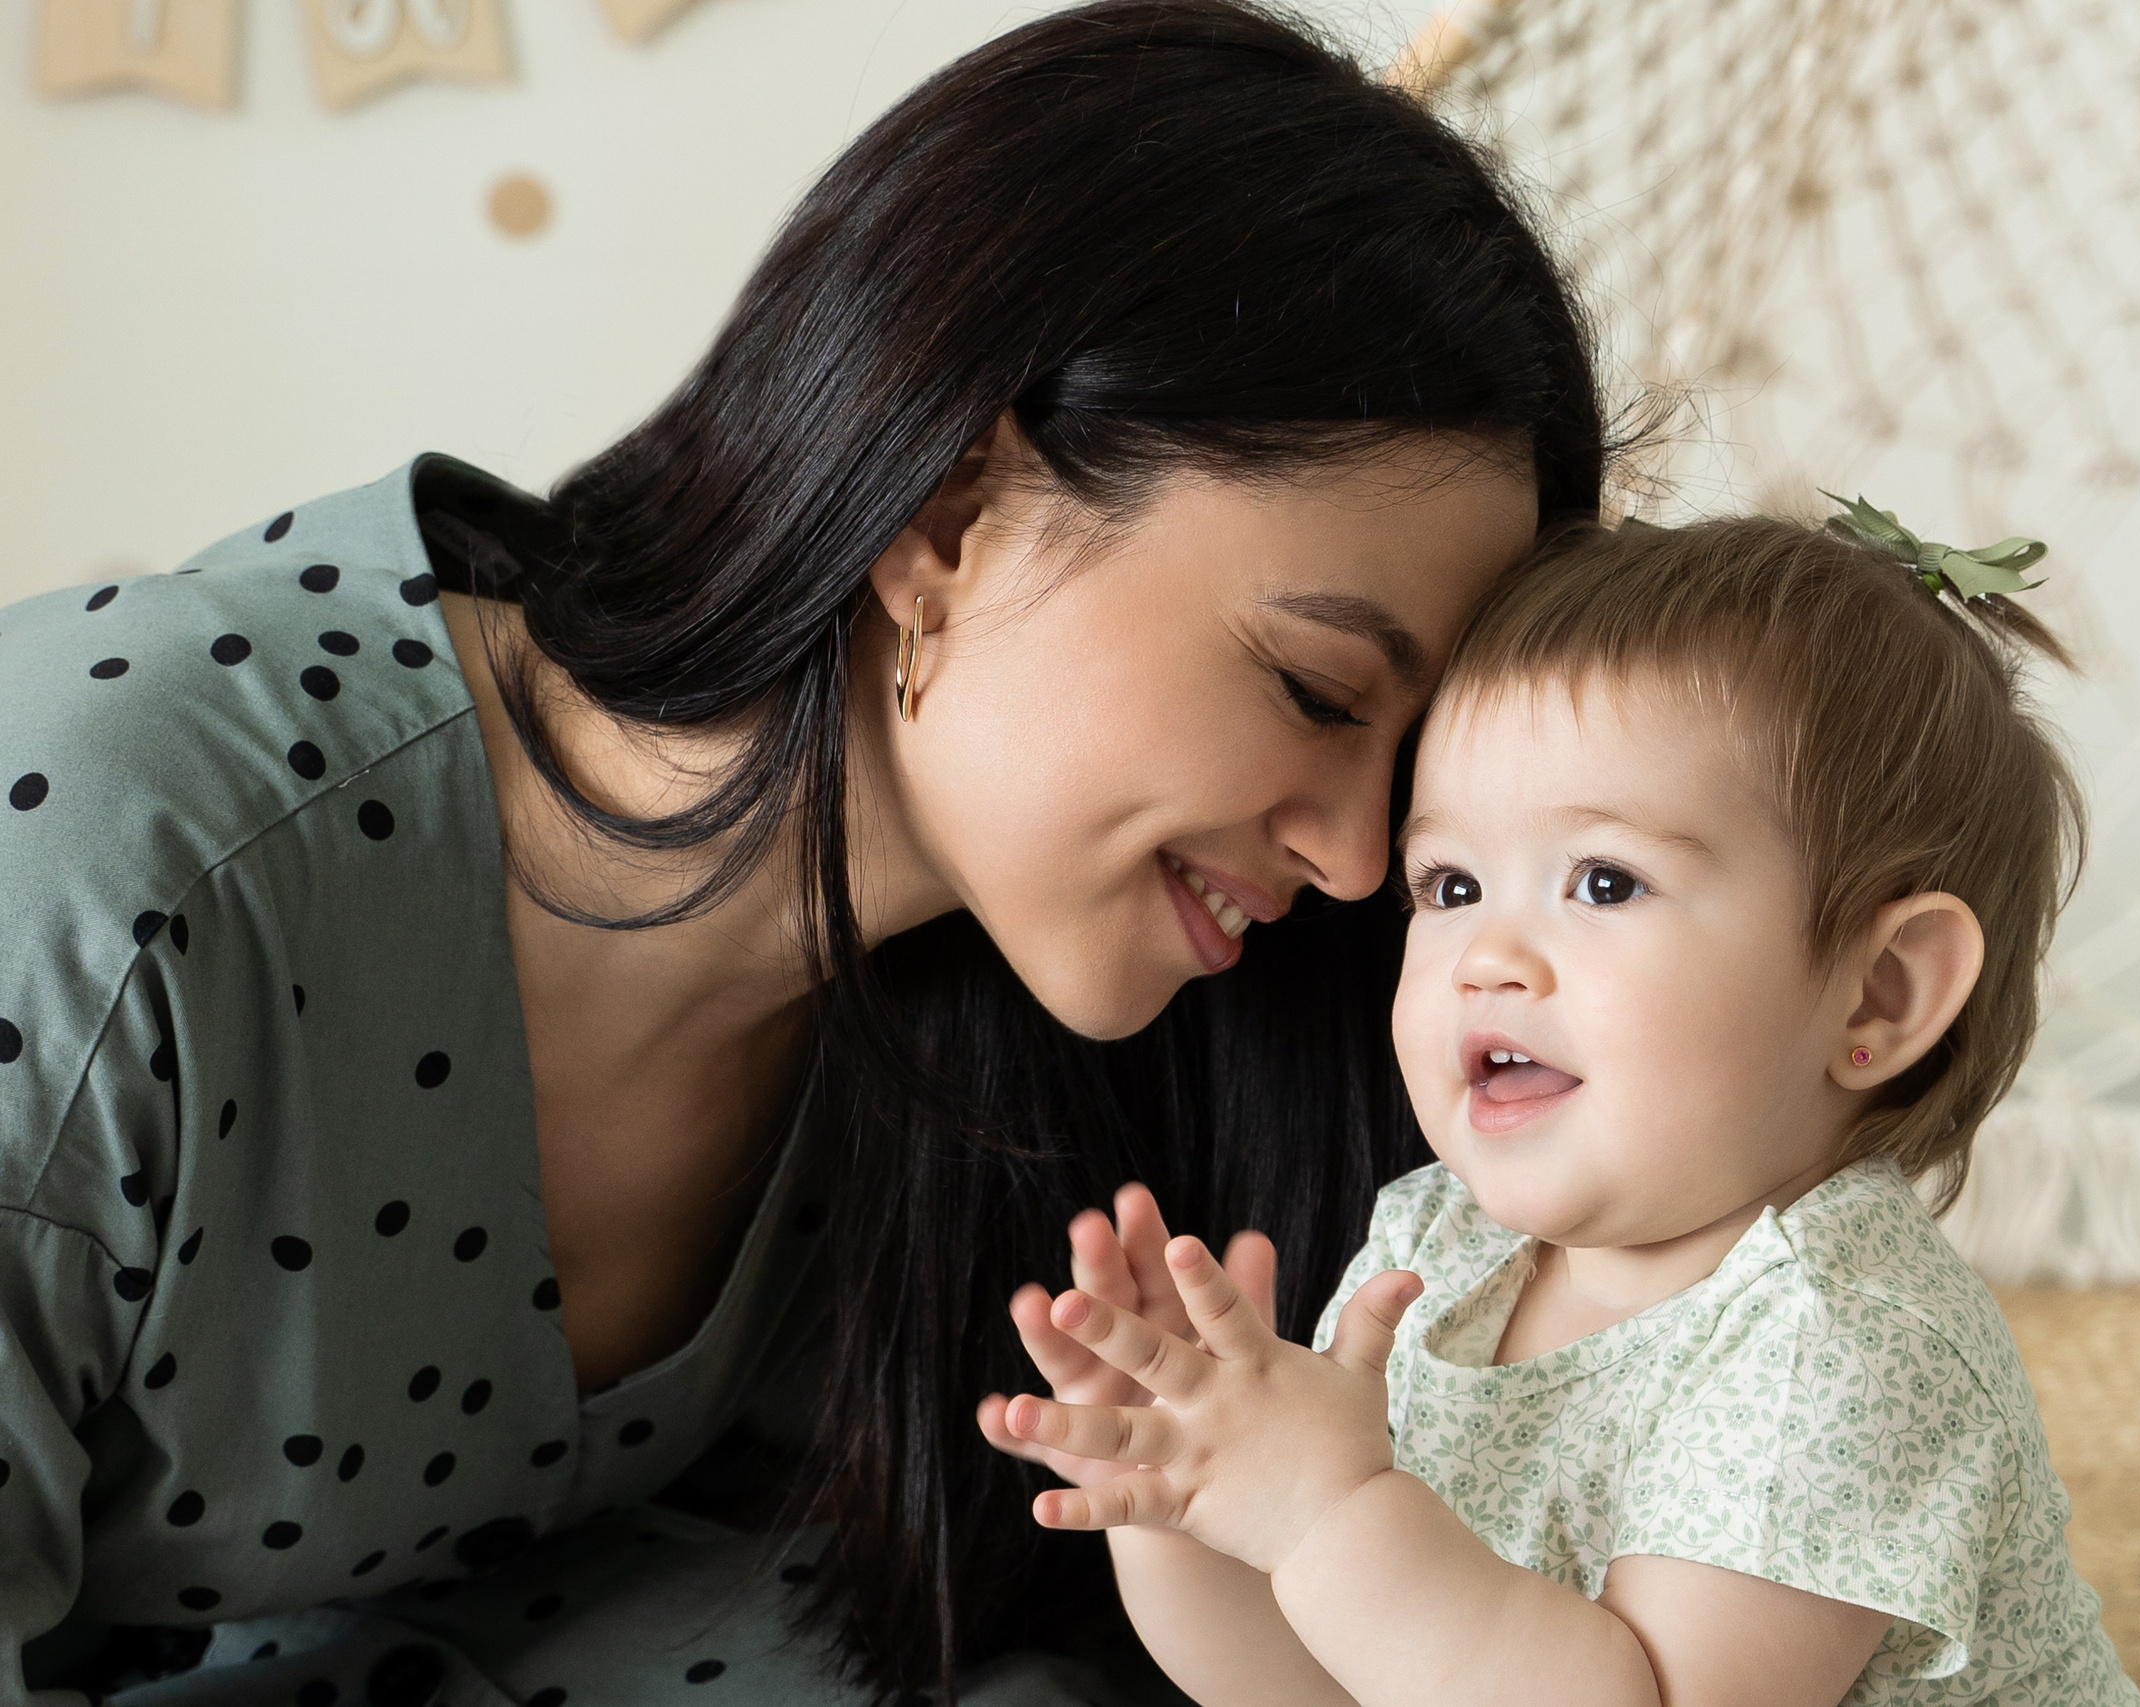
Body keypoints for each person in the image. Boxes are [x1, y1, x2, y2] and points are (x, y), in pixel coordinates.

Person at [0, 3, 1608, 1703]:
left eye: (1404, 768)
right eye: (1311, 688)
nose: (1358, 861)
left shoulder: (991, 1068)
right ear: (951, 522)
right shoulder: (113, 862)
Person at [986, 502, 2140, 1705]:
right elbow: (1331, 1684)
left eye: (1603, 882)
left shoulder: (1841, 1345)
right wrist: (1194, 1496)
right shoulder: (1438, 1248)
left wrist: (1330, 1509)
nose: (1487, 955)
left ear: (1882, 994)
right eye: (1449, 882)